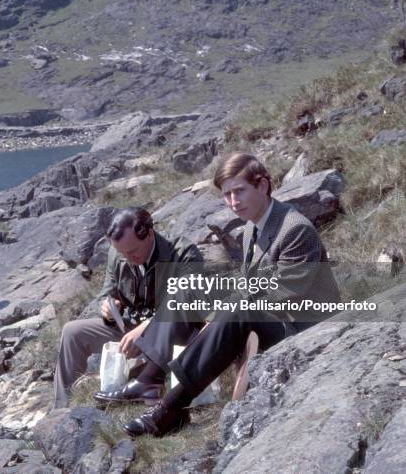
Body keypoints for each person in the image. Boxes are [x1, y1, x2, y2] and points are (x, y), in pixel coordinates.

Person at [121, 152, 340, 437]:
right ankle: (151, 376)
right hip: (271, 315)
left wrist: (224, 311)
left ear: (262, 186)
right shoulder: (253, 227)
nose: (233, 202)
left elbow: (285, 294)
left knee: (236, 311)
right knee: (189, 291)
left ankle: (170, 407)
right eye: (227, 195)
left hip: (303, 326)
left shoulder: (294, 229)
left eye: (240, 191)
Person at [53, 207, 203, 408]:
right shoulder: (119, 253)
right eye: (122, 253)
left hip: (171, 337)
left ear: (149, 233)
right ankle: (63, 408)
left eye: (133, 251)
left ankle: (147, 386)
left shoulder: (182, 252)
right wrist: (108, 307)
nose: (128, 258)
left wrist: (148, 327)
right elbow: (106, 292)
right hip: (130, 331)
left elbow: (189, 302)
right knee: (72, 332)